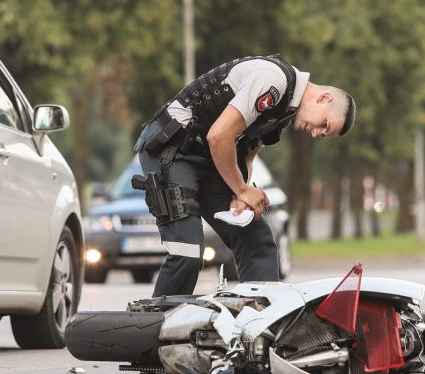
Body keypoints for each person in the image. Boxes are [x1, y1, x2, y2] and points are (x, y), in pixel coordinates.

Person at [133, 55, 356, 297]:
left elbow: (247, 153)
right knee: (186, 252)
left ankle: (258, 322)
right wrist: (240, 189)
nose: (315, 133)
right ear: (324, 98)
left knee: (256, 238)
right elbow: (219, 136)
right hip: (172, 149)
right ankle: (157, 326)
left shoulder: (286, 109)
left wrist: (242, 195)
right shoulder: (273, 82)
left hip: (209, 159)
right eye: (323, 125)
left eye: (323, 134)